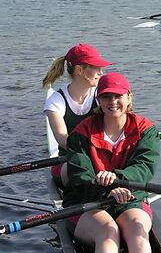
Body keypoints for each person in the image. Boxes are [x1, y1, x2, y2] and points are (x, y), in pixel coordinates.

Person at [63, 72, 160, 253]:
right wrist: (107, 190)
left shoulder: (146, 130)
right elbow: (80, 178)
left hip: (130, 197)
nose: (113, 102)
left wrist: (117, 180)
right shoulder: (81, 133)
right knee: (108, 231)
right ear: (98, 100)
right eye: (106, 97)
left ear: (129, 98)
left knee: (137, 229)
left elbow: (144, 167)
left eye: (118, 96)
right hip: (87, 202)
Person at [42, 44, 112, 187]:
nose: (101, 73)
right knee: (76, 167)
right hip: (68, 161)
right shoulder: (56, 101)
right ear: (80, 70)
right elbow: (63, 140)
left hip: (101, 157)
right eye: (96, 68)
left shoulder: (102, 96)